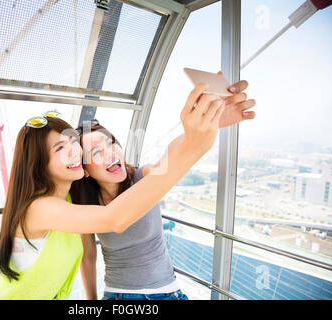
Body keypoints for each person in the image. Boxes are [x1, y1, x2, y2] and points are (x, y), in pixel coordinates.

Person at [0, 83, 226, 299]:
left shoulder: (72, 200)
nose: (75, 152)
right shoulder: (40, 209)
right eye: (60, 148)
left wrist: (205, 125)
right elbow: (114, 219)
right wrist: (197, 147)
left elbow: (163, 164)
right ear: (38, 164)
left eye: (73, 144)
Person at [70, 76, 256, 300]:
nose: (110, 152)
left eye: (111, 143)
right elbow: (88, 255)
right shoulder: (86, 202)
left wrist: (204, 126)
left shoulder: (142, 177)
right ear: (85, 170)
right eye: (97, 152)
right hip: (120, 297)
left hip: (168, 293)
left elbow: (169, 158)